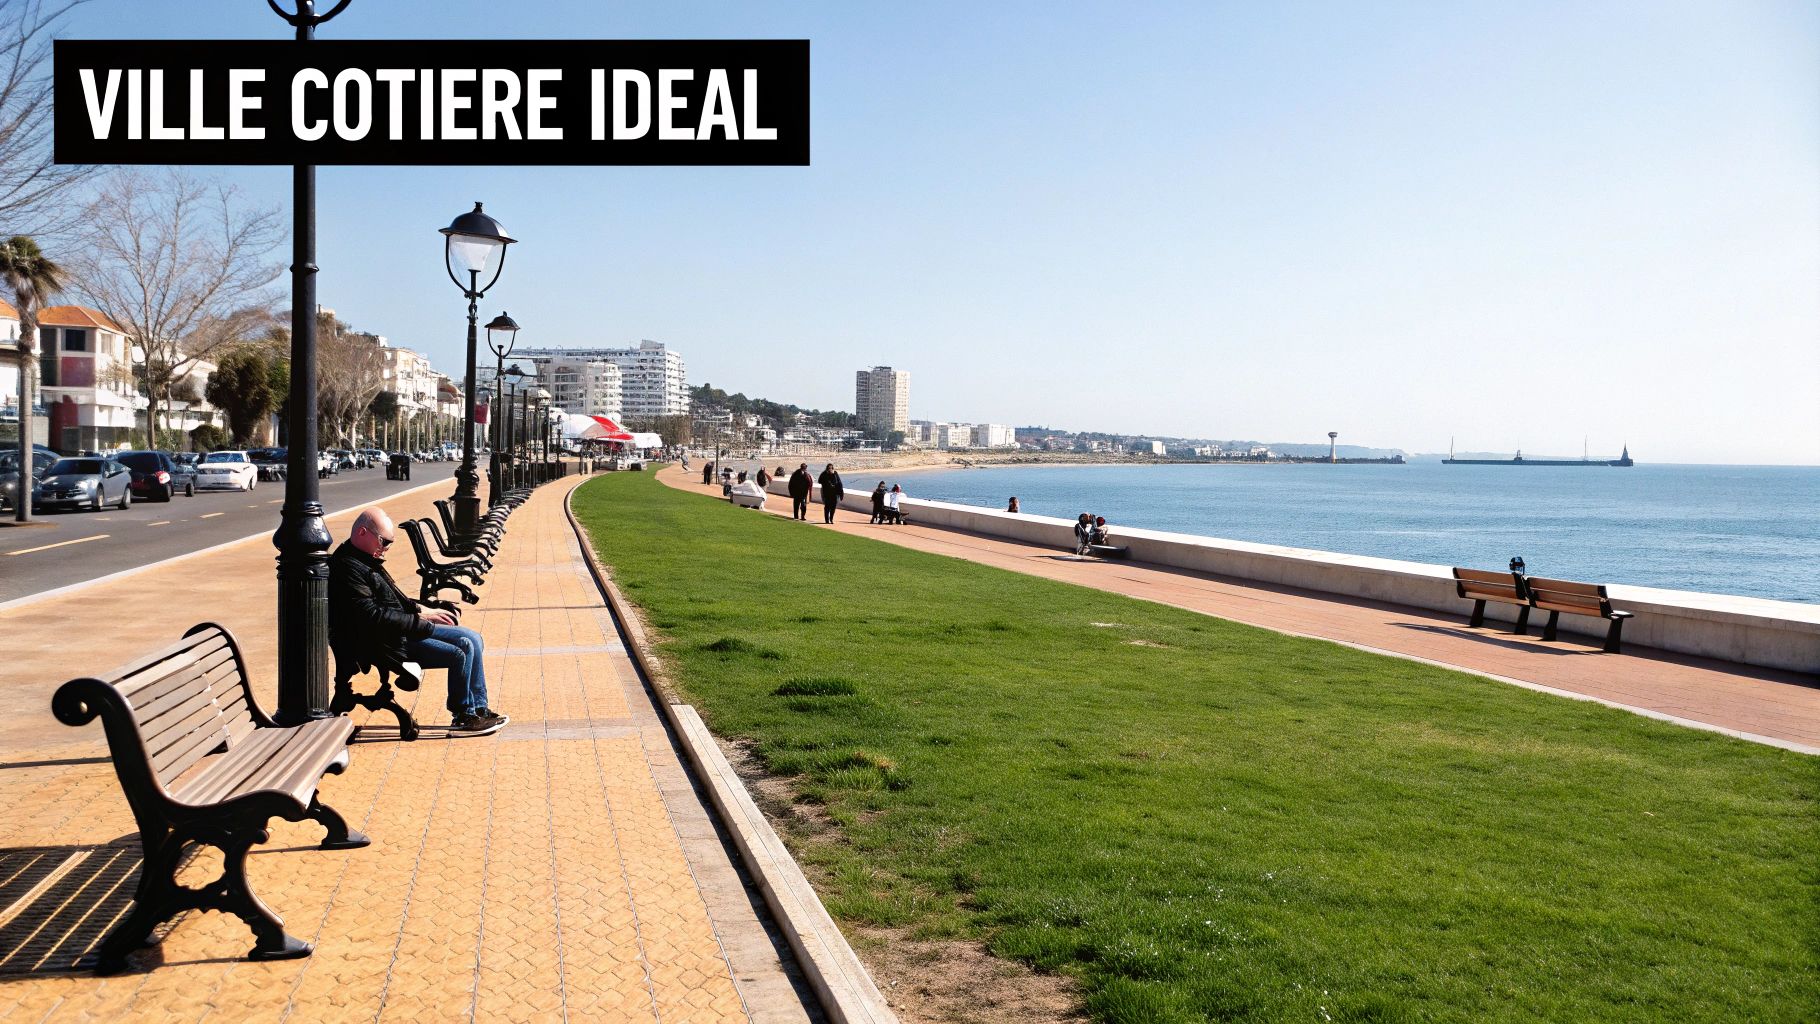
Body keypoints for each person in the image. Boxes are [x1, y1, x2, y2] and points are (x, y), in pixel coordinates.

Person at [329, 508, 505, 736]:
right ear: (363, 532)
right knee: (461, 650)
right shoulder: (347, 567)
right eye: (384, 541)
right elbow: (372, 616)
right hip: (387, 641)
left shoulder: (364, 559)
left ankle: (478, 708)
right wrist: (421, 623)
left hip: (400, 629)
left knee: (473, 637)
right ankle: (463, 715)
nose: (387, 547)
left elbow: (391, 600)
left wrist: (424, 612)